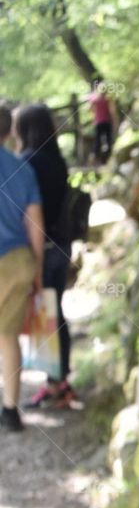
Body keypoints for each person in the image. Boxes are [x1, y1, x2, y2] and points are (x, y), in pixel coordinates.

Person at [13, 104, 75, 409]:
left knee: (45, 314)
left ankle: (56, 386)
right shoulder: (57, 160)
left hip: (43, 249)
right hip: (62, 245)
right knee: (55, 312)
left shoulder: (27, 162)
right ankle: (59, 379)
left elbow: (28, 213)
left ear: (24, 129)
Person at [0, 104, 44, 431]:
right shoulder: (22, 168)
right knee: (8, 336)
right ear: (8, 131)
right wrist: (38, 270)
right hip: (17, 260)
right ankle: (11, 410)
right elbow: (35, 225)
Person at [88, 78, 117, 164]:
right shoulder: (108, 99)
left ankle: (95, 159)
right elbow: (113, 111)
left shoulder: (95, 99)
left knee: (98, 141)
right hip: (107, 122)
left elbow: (89, 109)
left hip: (98, 122)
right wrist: (115, 121)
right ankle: (107, 159)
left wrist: (94, 114)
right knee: (108, 140)